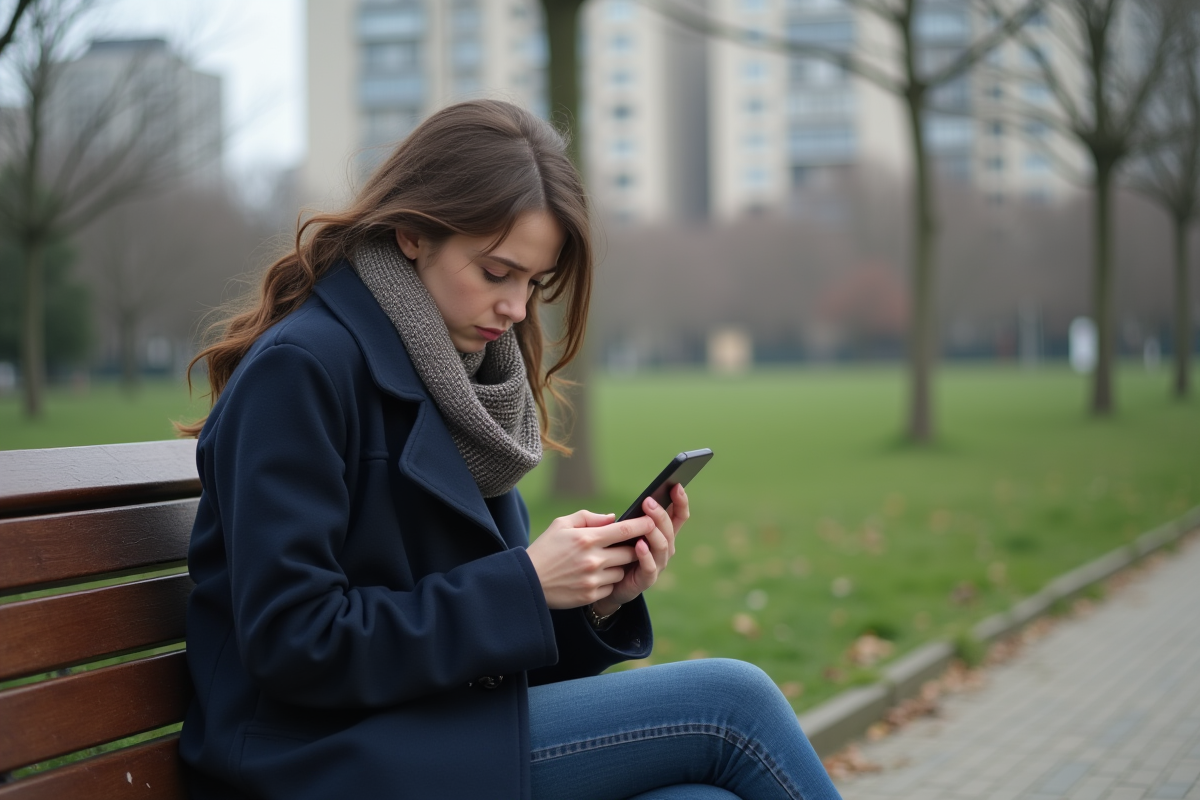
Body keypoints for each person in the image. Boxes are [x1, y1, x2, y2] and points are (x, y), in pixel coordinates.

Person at [178, 99, 842, 800]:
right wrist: (526, 584)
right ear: (411, 232)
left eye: (533, 281)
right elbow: (296, 642)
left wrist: (592, 605)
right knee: (731, 705)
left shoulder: (467, 382)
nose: (518, 308)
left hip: (428, 731)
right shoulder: (304, 369)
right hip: (317, 759)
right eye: (496, 273)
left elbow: (489, 659)